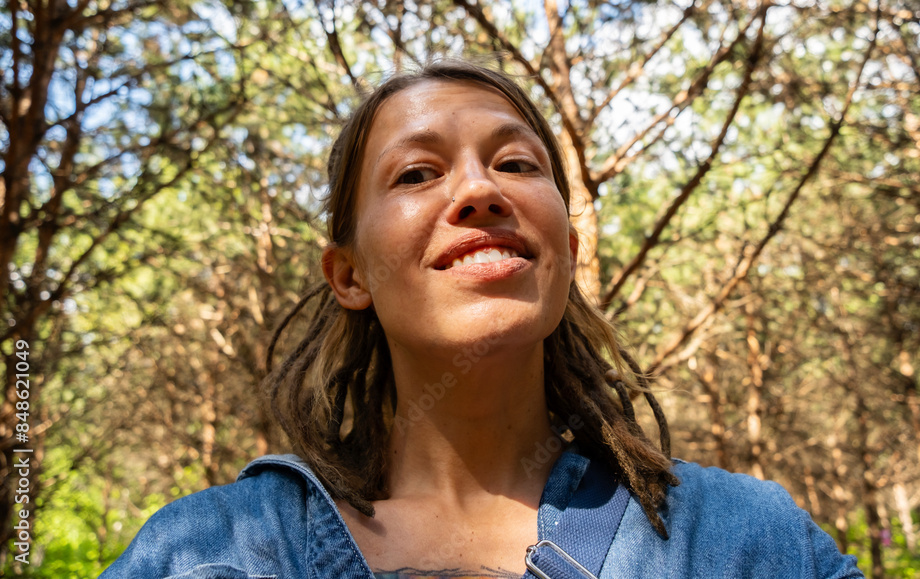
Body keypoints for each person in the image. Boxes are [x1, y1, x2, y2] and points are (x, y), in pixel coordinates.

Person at [101, 60, 863, 578]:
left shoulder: (747, 542)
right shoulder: (205, 552)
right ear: (349, 273)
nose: (479, 190)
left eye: (517, 163)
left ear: (564, 246)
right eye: (417, 173)